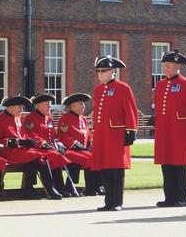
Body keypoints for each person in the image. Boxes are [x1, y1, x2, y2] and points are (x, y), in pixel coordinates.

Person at [154, 50, 186, 208]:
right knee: (166, 164)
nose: (166, 69)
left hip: (180, 132)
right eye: (164, 66)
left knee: (180, 166)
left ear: (177, 66)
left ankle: (181, 197)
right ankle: (169, 196)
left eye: (169, 66)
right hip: (164, 131)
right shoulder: (161, 85)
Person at [0, 95, 63, 200]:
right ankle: (43, 189)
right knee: (36, 156)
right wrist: (19, 142)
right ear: (10, 107)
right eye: (19, 107)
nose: (22, 110)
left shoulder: (18, 118)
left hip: (22, 151)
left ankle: (37, 188)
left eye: (22, 107)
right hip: (8, 152)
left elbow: (24, 135)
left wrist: (28, 141)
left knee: (41, 156)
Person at [91, 56, 139, 211]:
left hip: (117, 135)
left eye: (103, 71)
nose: (100, 74)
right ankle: (108, 201)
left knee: (116, 170)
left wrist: (131, 131)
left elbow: (130, 110)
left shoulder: (123, 88)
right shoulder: (98, 90)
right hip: (102, 135)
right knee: (105, 169)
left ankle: (117, 202)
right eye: (98, 71)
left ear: (112, 71)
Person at [25, 92, 78, 197]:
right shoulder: (31, 118)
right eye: (47, 104)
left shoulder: (48, 118)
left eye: (50, 103)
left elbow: (53, 136)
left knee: (60, 155)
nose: (50, 106)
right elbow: (31, 135)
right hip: (38, 148)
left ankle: (61, 187)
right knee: (56, 156)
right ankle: (52, 189)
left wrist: (58, 144)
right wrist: (43, 144)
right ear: (38, 105)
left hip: (49, 148)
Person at [58, 93, 100, 196]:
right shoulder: (65, 119)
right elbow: (64, 137)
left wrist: (92, 146)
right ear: (73, 106)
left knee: (97, 156)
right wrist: (78, 146)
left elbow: (88, 135)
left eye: (83, 104)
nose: (84, 106)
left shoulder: (84, 119)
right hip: (69, 150)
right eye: (81, 104)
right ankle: (90, 188)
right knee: (89, 158)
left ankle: (97, 186)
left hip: (83, 150)